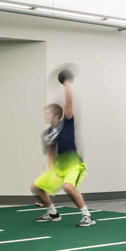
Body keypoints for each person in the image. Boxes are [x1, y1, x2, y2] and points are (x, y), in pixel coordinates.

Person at [31, 74, 94, 226]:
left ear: (56, 115)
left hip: (74, 165)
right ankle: (53, 213)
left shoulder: (66, 123)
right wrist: (52, 171)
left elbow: (69, 103)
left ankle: (87, 217)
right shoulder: (47, 134)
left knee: (67, 186)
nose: (45, 116)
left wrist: (66, 84)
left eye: (48, 113)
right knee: (36, 188)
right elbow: (51, 153)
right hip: (60, 167)